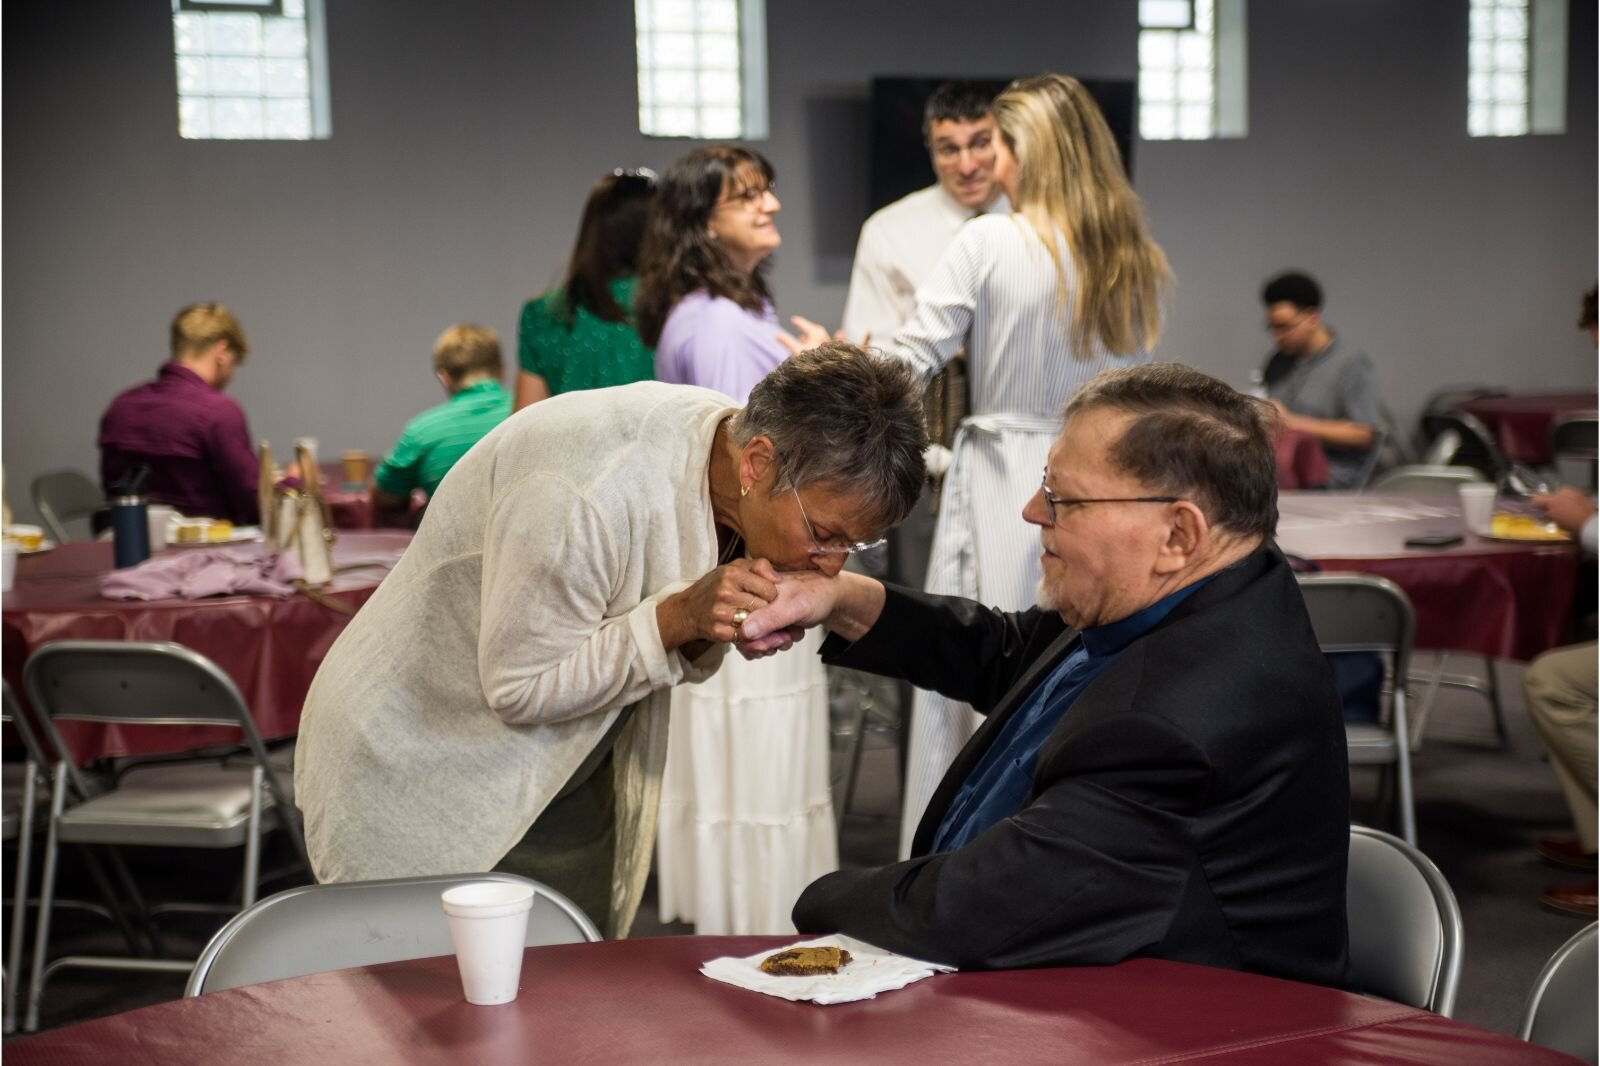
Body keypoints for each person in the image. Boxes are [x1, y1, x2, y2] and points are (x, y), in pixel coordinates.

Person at [738, 363, 1351, 987]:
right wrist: (837, 597)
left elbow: (973, 911)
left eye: (1064, 500)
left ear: (1178, 533)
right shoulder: (1198, 589)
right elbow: (1007, 653)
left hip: (1182, 1027)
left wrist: (814, 899)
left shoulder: (1180, 722)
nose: (1033, 512)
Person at [294, 344, 926, 938]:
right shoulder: (586, 488)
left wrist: (716, 620)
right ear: (757, 463)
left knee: (564, 986)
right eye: (824, 533)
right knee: (434, 1009)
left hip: (567, 749)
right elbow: (520, 687)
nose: (830, 565)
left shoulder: (732, 460)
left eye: (854, 544)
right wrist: (681, 616)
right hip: (423, 747)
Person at [845, 73, 1172, 855]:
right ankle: (1066, 838)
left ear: (1036, 152)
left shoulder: (990, 240)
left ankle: (963, 854)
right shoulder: (1133, 254)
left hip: (1007, 478)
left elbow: (906, 362)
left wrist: (833, 366)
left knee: (984, 663)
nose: (991, 163)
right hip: (1111, 482)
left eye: (1003, 145)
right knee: (1080, 666)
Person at [635, 146, 842, 934]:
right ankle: (758, 920)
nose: (771, 206)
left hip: (749, 565)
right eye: (747, 196)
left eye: (768, 191)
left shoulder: (732, 312)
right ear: (700, 222)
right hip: (753, 569)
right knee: (754, 770)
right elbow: (751, 475)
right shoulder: (717, 324)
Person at [839, 81, 1008, 347]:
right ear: (931, 150)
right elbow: (873, 351)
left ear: (1005, 143)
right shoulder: (886, 231)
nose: (967, 166)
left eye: (981, 144)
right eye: (949, 149)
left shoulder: (1040, 221)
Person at [98, 302, 260, 523]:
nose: (231, 374)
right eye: (234, 363)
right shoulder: (218, 411)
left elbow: (113, 493)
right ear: (221, 352)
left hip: (133, 549)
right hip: (209, 552)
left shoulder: (121, 407)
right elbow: (254, 506)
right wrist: (292, 483)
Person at [514, 169, 657, 410]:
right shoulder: (674, 307)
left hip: (568, 447)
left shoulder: (543, 314)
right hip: (662, 446)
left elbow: (524, 425)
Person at [370, 323, 511, 521]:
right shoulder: (534, 414)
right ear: (502, 370)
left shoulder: (422, 430)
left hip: (455, 545)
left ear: (444, 377)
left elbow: (384, 496)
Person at [1258, 271, 1380, 489]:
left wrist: (1291, 423)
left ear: (1312, 318)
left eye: (1284, 327)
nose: (1277, 336)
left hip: (1331, 480)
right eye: (1272, 328)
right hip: (1283, 471)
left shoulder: (1351, 363)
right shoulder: (1277, 362)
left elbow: (1364, 434)